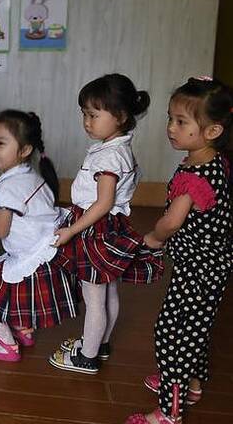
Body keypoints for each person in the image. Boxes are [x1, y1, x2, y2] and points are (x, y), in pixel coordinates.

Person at [125, 77, 233, 424]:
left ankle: (169, 412)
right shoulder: (212, 161)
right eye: (170, 118)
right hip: (211, 264)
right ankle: (192, 385)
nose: (171, 128)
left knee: (172, 332)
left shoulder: (194, 176)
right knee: (196, 328)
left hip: (198, 268)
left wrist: (153, 238)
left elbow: (171, 222)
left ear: (213, 129)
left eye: (182, 122)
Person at [50, 73, 160, 375]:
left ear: (121, 117)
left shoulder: (109, 157)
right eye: (84, 114)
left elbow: (102, 203)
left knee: (94, 297)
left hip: (94, 230)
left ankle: (86, 356)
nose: (87, 122)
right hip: (109, 228)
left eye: (94, 115)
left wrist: (72, 229)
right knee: (108, 292)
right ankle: (102, 343)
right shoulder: (118, 148)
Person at [0, 110, 79, 362]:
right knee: (17, 297)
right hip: (49, 253)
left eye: (2, 143)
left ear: (24, 150)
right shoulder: (31, 175)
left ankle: (6, 346)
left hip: (34, 257)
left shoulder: (9, 189)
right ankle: (24, 331)